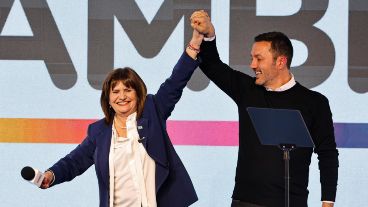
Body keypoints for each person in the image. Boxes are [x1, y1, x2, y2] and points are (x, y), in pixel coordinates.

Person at [190, 10, 339, 207]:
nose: (252, 64)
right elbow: (211, 65)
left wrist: (327, 202)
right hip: (245, 202)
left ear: (280, 61)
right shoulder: (247, 91)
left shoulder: (315, 103)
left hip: (291, 203)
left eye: (259, 59)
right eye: (252, 58)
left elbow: (327, 153)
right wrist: (209, 34)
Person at [39, 30, 204, 207]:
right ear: (108, 100)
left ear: (138, 93)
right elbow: (74, 161)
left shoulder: (152, 110)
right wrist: (51, 175)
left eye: (128, 90)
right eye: (115, 92)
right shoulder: (99, 132)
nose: (122, 96)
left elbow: (174, 83)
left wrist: (194, 45)